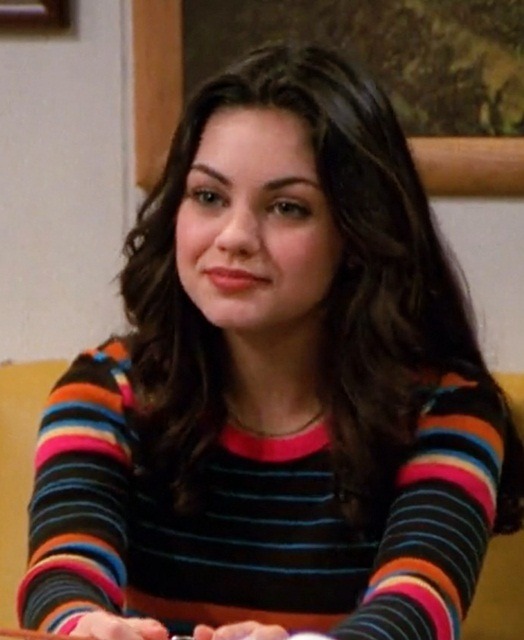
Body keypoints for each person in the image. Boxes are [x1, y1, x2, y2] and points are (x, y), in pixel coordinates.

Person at [17, 41, 524, 640]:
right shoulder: (106, 391)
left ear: (357, 235)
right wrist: (84, 627)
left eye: (287, 207)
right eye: (208, 197)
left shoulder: (448, 410)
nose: (234, 236)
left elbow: (416, 610)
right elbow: (62, 573)